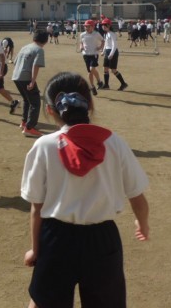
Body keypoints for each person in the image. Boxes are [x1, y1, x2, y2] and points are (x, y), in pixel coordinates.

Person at [21, 71, 150, 308]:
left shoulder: (44, 146)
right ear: (90, 104)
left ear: (49, 110)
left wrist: (35, 250)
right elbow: (137, 196)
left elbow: (36, 207)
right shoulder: (115, 143)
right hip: (103, 240)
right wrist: (142, 223)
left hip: (56, 239)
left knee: (43, 303)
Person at [11, 29, 49, 137]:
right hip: (26, 78)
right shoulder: (39, 50)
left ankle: (24, 122)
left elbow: (15, 62)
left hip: (16, 76)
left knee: (27, 100)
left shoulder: (25, 47)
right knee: (35, 102)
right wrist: (32, 81)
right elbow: (35, 66)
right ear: (46, 40)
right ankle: (29, 128)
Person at [100, 18, 128, 91]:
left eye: (105, 25)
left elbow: (114, 45)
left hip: (113, 52)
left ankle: (123, 83)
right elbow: (106, 43)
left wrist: (111, 54)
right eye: (102, 25)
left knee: (113, 70)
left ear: (109, 25)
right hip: (107, 51)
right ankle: (106, 85)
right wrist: (103, 51)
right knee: (105, 68)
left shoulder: (112, 34)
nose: (103, 26)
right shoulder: (106, 33)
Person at [79, 19, 104, 96]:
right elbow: (81, 42)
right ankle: (93, 86)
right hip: (85, 55)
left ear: (93, 27)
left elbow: (103, 41)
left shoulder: (96, 34)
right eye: (85, 26)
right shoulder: (82, 34)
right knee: (90, 71)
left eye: (88, 26)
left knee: (91, 69)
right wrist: (81, 47)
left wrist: (100, 47)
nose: (86, 28)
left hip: (94, 54)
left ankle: (99, 82)